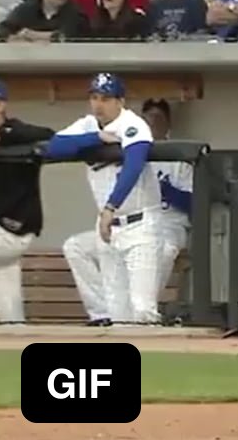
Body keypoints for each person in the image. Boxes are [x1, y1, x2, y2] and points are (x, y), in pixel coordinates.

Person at [47, 73, 162, 325]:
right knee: (118, 311)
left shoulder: (133, 124)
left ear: (120, 101)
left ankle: (155, 359)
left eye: (106, 98)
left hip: (140, 225)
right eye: (94, 97)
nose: (98, 104)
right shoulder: (88, 125)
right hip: (108, 228)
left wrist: (111, 206)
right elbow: (53, 147)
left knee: (142, 310)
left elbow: (133, 166)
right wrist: (95, 139)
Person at [0, 77, 55, 324]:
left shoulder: (17, 131)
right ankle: (12, 327)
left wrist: (1, 135)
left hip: (14, 227)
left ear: (0, 105)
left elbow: (48, 135)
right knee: (9, 307)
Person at [141, 99, 192, 303]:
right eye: (148, 118)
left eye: (158, 118)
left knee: (162, 252)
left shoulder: (179, 157)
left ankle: (146, 308)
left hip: (170, 225)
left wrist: (166, 190)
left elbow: (194, 203)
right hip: (139, 225)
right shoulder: (135, 154)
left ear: (168, 123)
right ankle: (107, 314)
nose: (153, 123)